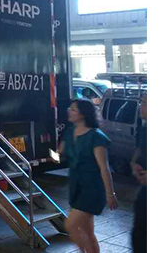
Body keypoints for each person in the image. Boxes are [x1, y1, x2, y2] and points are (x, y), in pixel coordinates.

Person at [59, 99, 118, 253]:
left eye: (73, 109)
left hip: (92, 187)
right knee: (88, 232)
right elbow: (60, 153)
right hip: (76, 185)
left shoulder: (96, 136)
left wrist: (110, 194)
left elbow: (104, 168)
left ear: (83, 114)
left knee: (70, 225)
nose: (69, 111)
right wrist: (52, 156)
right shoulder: (69, 133)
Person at [130, 94, 147, 253]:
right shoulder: (145, 128)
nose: (141, 106)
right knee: (139, 234)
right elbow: (139, 149)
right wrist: (134, 163)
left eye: (145, 103)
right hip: (145, 189)